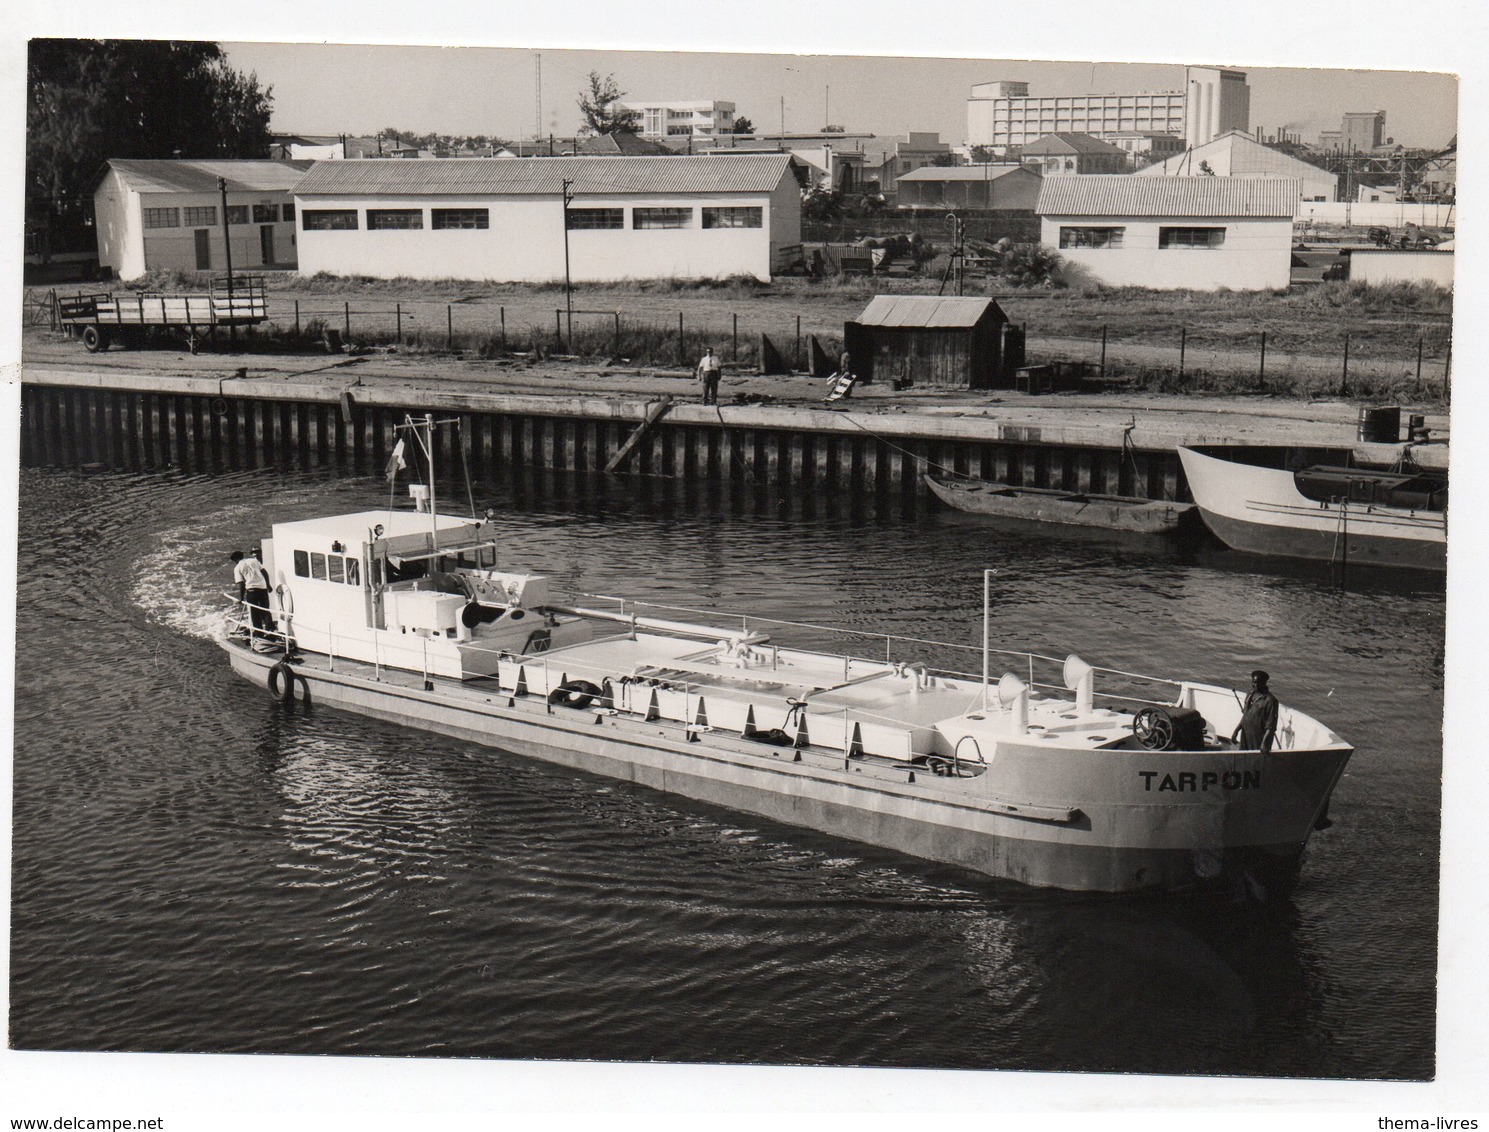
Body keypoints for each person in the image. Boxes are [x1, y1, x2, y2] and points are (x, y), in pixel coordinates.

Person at [230, 549, 274, 643]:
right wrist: (268, 585)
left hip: (252, 591)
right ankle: (270, 631)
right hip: (262, 588)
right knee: (265, 610)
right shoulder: (254, 561)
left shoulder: (237, 568)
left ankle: (259, 633)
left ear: (236, 559)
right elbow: (264, 572)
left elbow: (241, 584)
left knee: (254, 613)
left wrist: (241, 598)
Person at [1232, 669, 1279, 753]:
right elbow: (1245, 715)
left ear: (1264, 683)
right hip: (1245, 735)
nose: (1255, 685)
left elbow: (1271, 726)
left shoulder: (1270, 700)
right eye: (1253, 682)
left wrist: (1264, 743)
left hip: (1258, 738)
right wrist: (1236, 731)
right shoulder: (1250, 694)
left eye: (1258, 683)